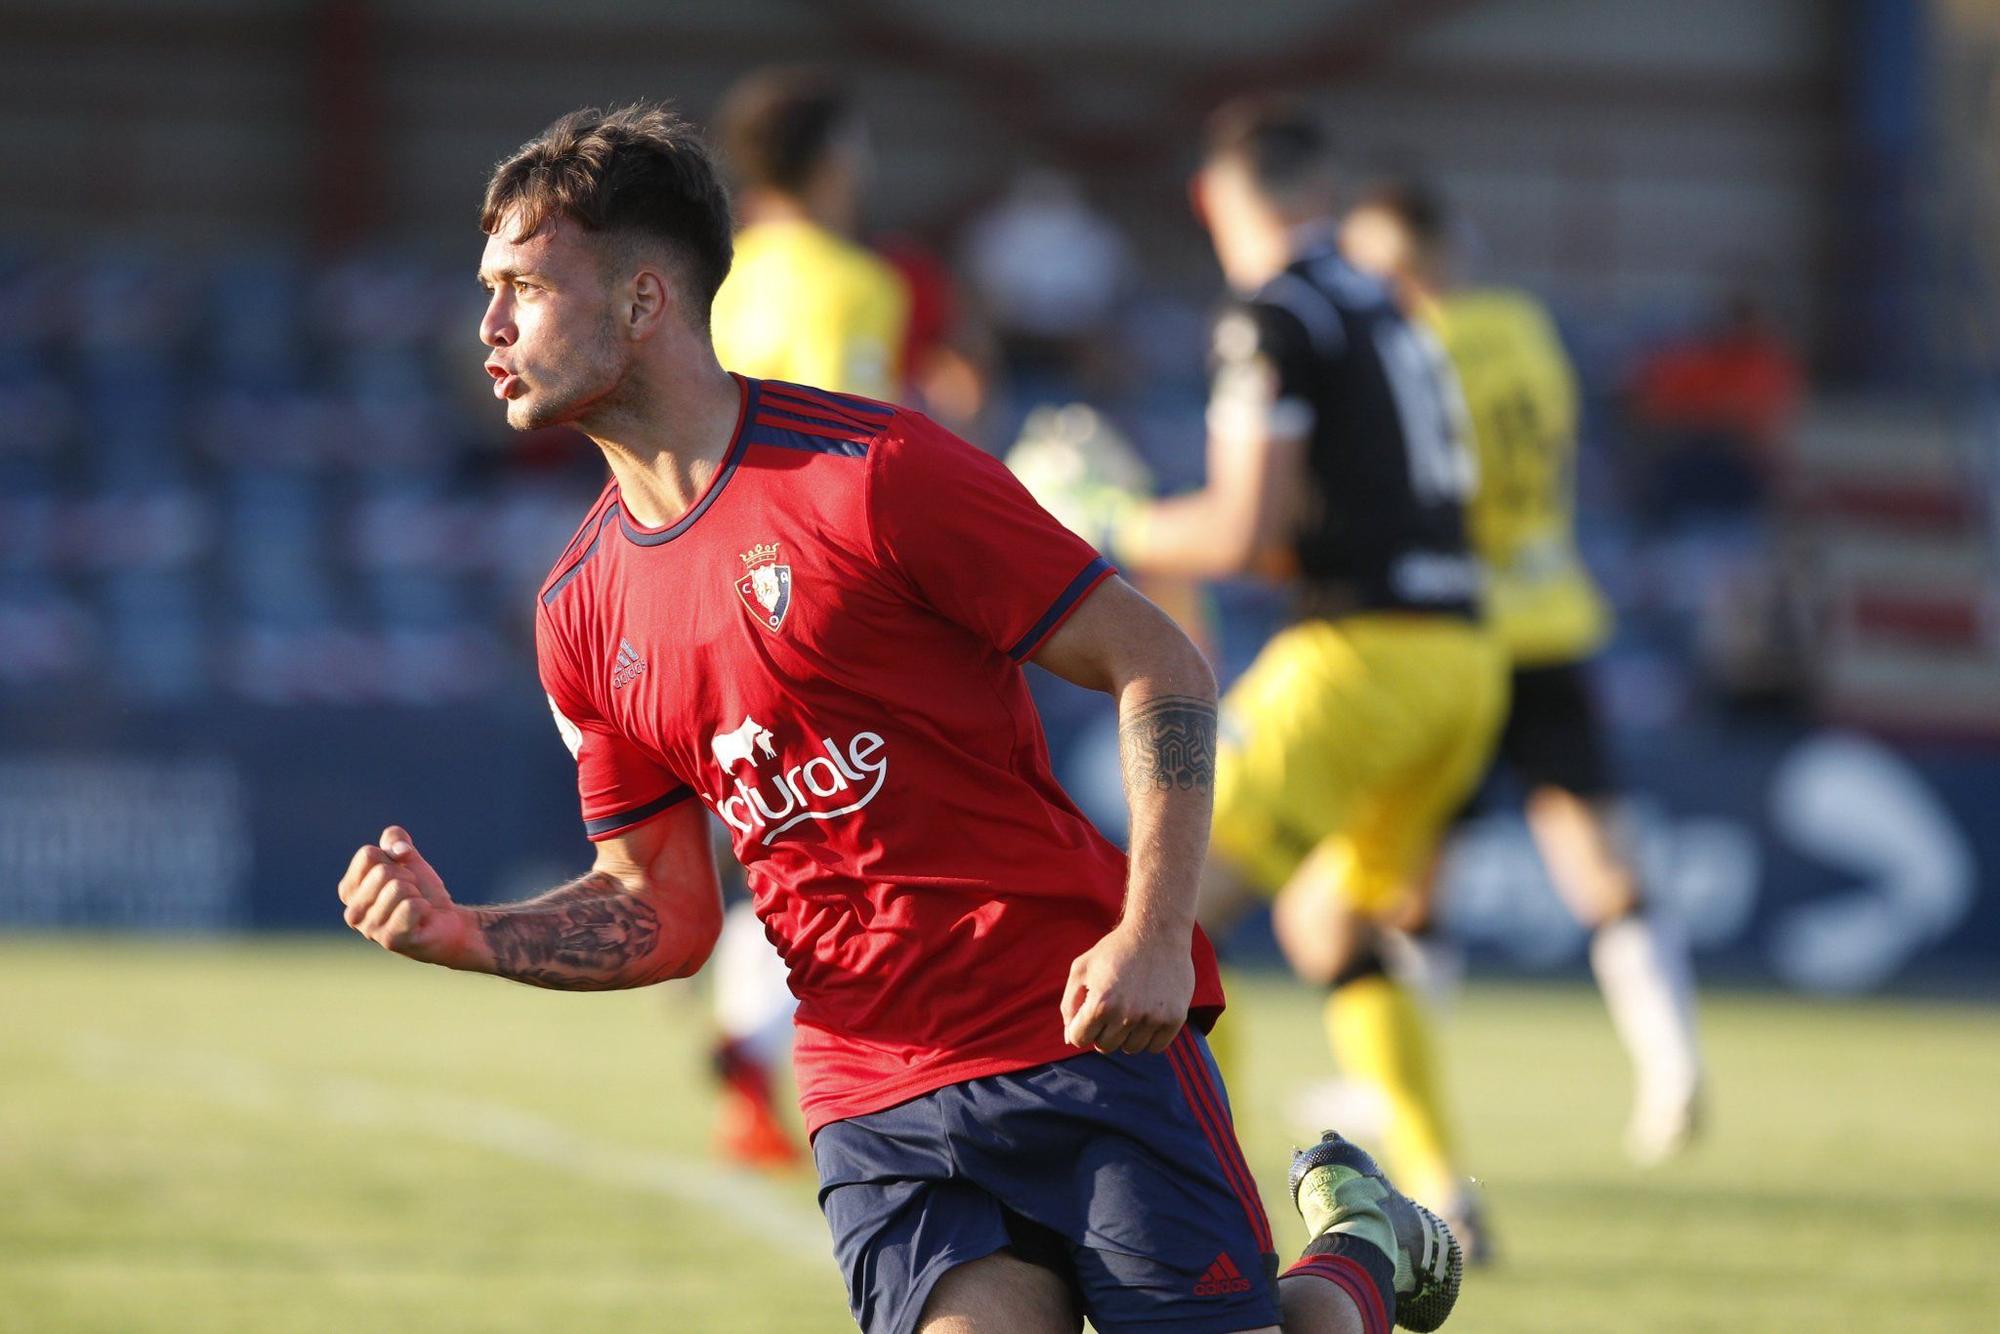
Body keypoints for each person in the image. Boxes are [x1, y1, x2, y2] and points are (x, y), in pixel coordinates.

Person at [335, 103, 1460, 1334]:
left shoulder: (875, 476)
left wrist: (1153, 929)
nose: (488, 325)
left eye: (524, 287)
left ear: (645, 300)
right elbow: (659, 906)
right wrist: (467, 933)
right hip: (872, 1091)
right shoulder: (578, 612)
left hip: (1074, 1028)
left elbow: (1161, 664)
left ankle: (1358, 1246)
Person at [1015, 99, 1506, 1237]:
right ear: (1322, 195)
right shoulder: (1387, 301)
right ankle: (1441, 1191)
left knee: (1171, 913)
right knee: (1332, 922)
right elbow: (1308, 522)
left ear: (1210, 198)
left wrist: (1111, 520)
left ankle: (1206, 1195)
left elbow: (1241, 532)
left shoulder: (1272, 314)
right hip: (1460, 659)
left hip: (1361, 658)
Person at [1342, 180, 1704, 1164]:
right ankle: (1669, 1063)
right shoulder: (1527, 328)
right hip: (1551, 617)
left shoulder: (1414, 353)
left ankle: (1391, 1084)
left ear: (1400, 267)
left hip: (1453, 634)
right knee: (1598, 859)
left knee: (1410, 878)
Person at [704, 66, 914, 1169]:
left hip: (701, 587)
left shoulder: (712, 276)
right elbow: (856, 448)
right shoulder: (849, 284)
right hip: (811, 591)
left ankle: (744, 1047)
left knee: (768, 839)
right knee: (862, 841)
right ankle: (847, 1067)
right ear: (832, 158)